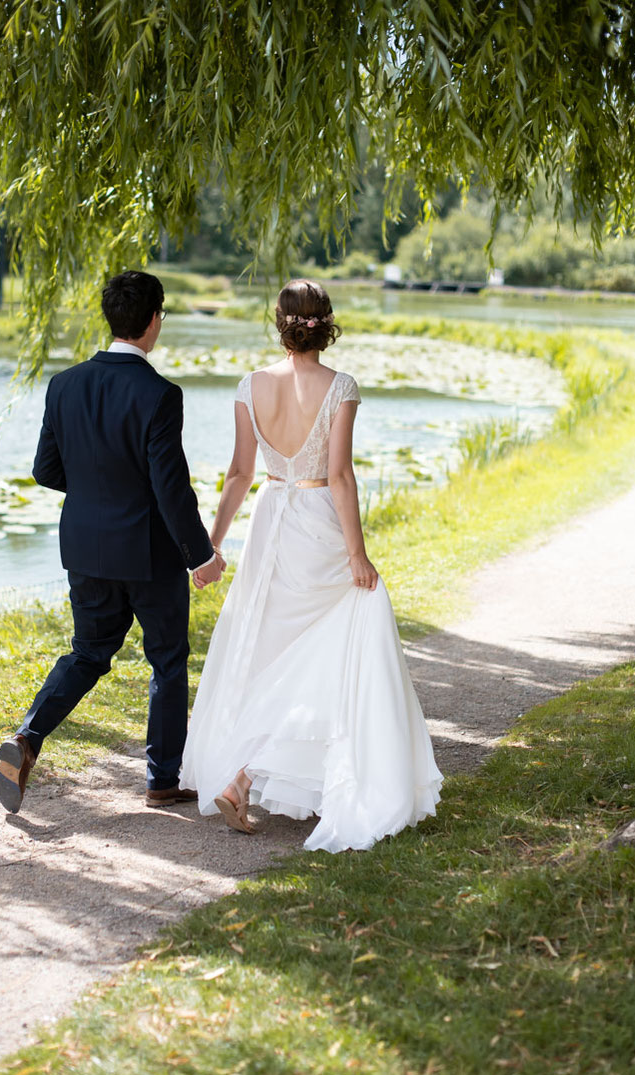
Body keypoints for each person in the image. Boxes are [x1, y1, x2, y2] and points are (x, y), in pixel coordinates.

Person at [180, 279, 441, 853]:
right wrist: (357, 553)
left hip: (273, 522)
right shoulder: (340, 386)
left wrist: (212, 545)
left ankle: (242, 776)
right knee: (334, 642)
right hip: (319, 521)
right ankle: (245, 777)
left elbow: (239, 474)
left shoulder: (251, 386)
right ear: (326, 324)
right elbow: (341, 473)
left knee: (275, 654)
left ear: (282, 323)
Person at [0, 270, 224, 815]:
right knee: (167, 660)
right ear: (152, 321)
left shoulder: (64, 384)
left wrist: (100, 491)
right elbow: (170, 490)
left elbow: (45, 469)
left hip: (86, 546)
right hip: (148, 554)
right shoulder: (160, 394)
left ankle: (27, 737)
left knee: (90, 652)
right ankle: (161, 780)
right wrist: (202, 556)